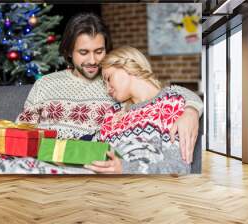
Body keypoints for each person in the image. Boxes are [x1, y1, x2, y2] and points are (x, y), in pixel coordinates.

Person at [15, 13, 203, 166]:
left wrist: (192, 110)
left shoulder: (117, 88)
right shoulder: (45, 84)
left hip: (87, 164)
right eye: (83, 52)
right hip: (42, 158)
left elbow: (160, 94)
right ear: (69, 52)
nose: (92, 61)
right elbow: (21, 132)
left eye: (99, 51)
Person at [85, 46, 202, 174]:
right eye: (104, 83)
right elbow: (90, 155)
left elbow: (179, 168)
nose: (107, 89)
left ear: (127, 67)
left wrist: (125, 169)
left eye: (108, 78)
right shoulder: (113, 113)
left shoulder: (170, 104)